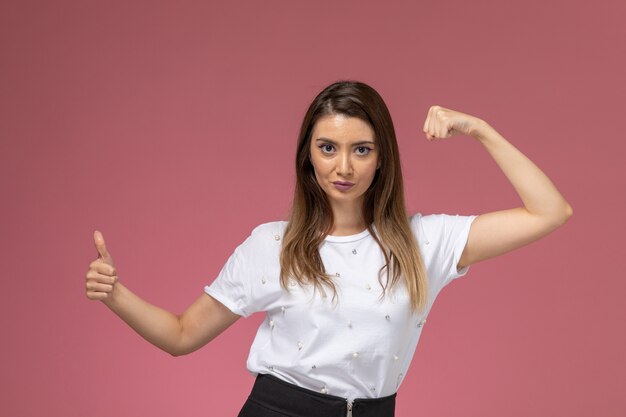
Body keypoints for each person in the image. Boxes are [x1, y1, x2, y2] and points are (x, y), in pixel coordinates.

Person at [85, 81, 572, 417]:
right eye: (327, 148)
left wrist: (478, 128)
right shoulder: (272, 246)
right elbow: (183, 334)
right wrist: (116, 295)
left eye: (361, 149)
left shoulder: (425, 243)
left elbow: (550, 211)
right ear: (308, 155)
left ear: (382, 159)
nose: (343, 166)